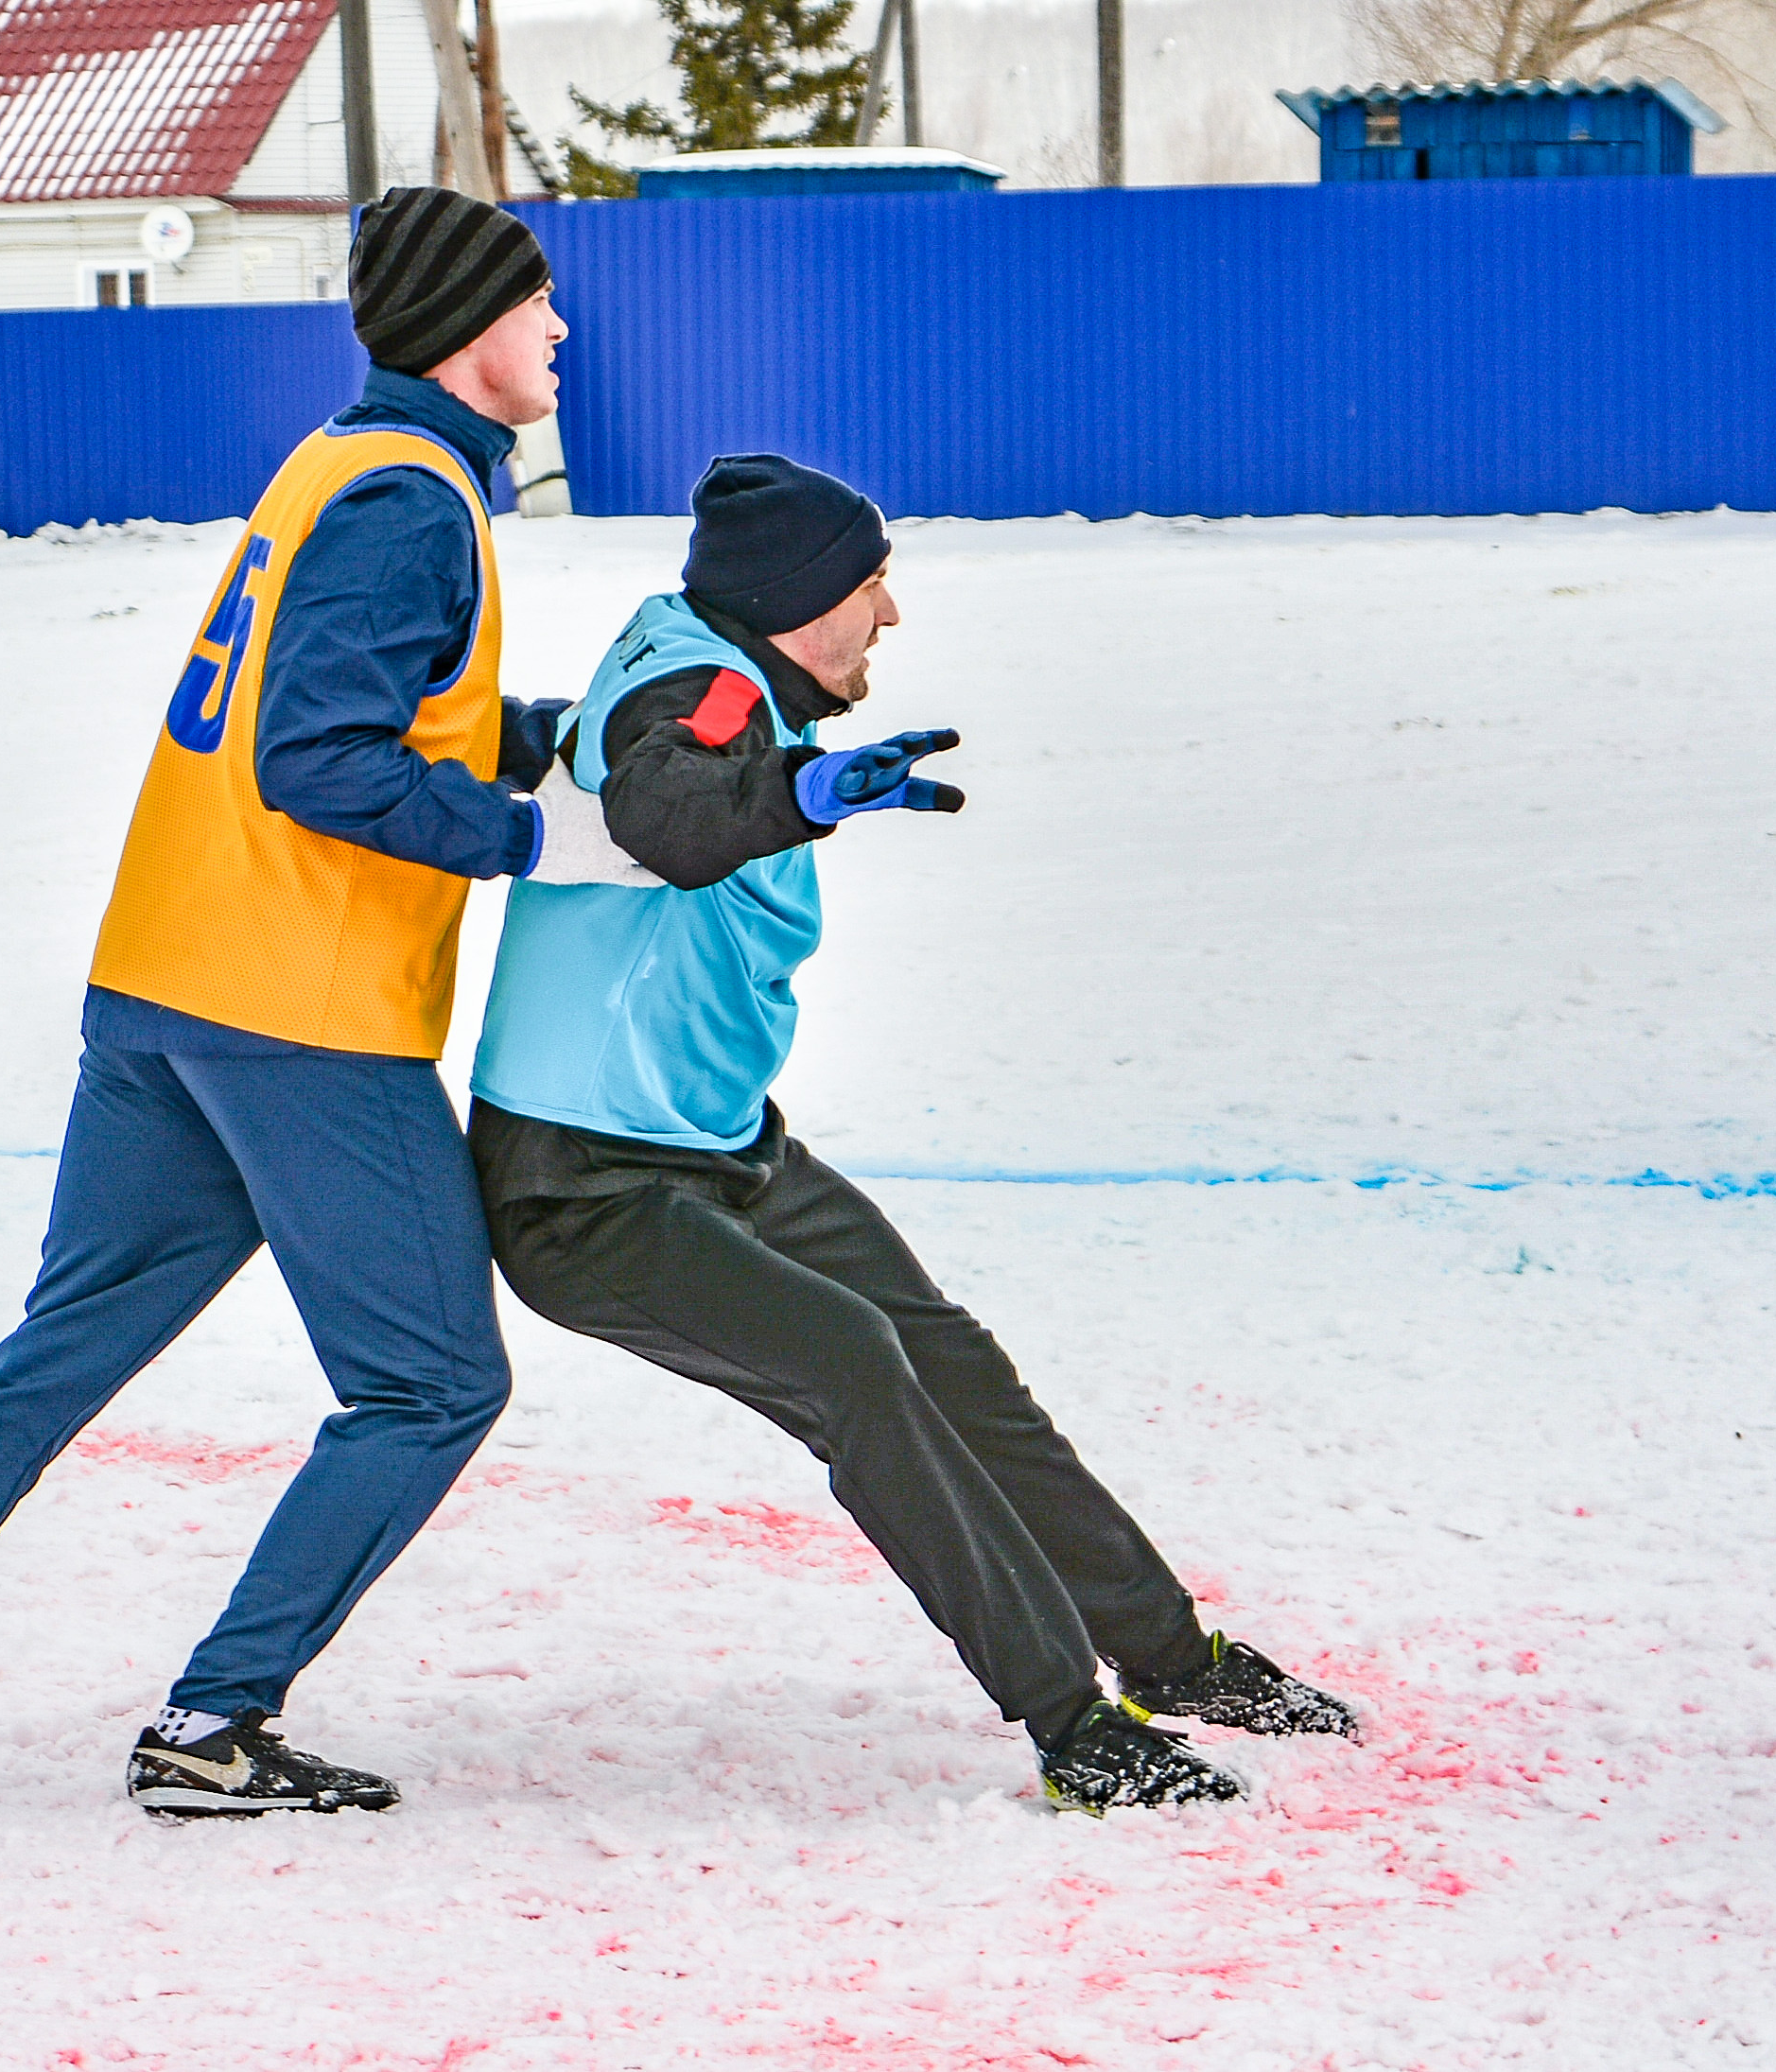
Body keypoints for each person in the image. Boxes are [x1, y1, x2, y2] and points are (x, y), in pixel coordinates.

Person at [0, 186, 585, 1819]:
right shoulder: (412, 499)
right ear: (468, 324)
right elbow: (319, 757)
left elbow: (375, 702)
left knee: (50, 1363)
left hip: (160, 987)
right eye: (536, 299)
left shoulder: (338, 461)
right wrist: (534, 838)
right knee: (431, 1384)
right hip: (300, 1014)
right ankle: (212, 1724)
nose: (559, 327)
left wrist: (558, 739)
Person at [463, 454, 1359, 1814]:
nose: (891, 612)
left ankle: (1175, 1659)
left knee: (952, 1363)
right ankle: (1075, 1728)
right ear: (792, 599)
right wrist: (808, 796)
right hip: (584, 1192)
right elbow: (667, 808)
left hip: (717, 1148)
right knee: (860, 1366)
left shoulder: (720, 664)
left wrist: (785, 780)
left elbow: (627, 759)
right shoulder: (701, 688)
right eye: (869, 584)